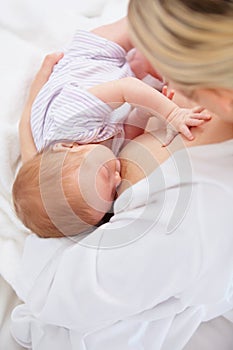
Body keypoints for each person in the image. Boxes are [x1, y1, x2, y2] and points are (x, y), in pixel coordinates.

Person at [11, 3, 233, 350]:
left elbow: (54, 292)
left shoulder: (192, 213)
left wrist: (32, 149)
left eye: (171, 70)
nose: (159, 80)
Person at [12, 18, 209, 239]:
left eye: (107, 175)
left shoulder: (69, 121)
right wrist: (148, 110)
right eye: (113, 192)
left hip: (91, 62)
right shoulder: (84, 175)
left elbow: (126, 88)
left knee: (142, 25)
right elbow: (127, 127)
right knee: (155, 64)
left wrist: (172, 113)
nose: (117, 179)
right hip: (115, 95)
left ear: (69, 146)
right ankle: (138, 62)